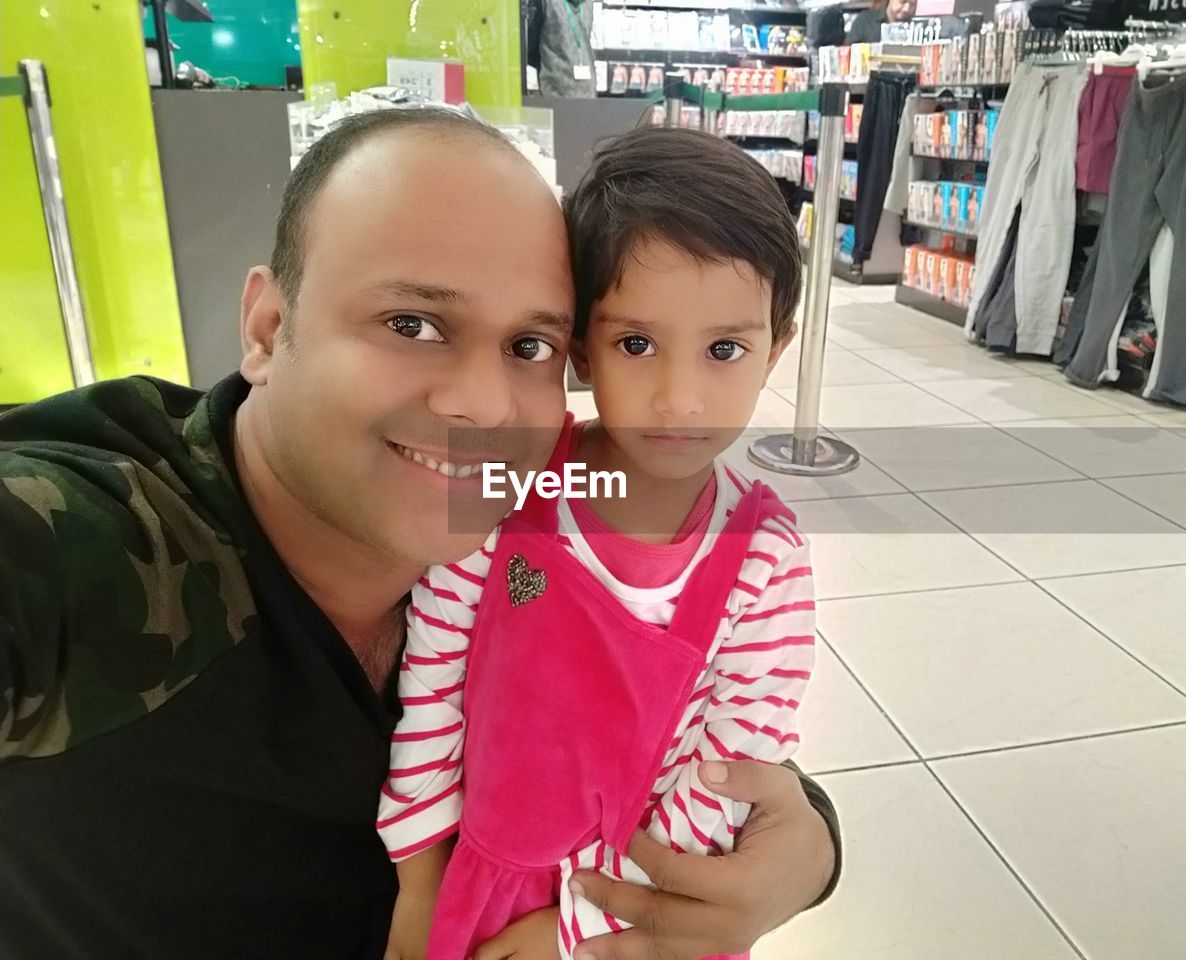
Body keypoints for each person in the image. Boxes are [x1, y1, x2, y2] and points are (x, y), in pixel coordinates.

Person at [0, 107, 839, 959]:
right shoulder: (100, 543)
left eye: (527, 344)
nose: (478, 404)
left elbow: (642, 717)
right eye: (412, 325)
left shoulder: (525, 514)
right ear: (266, 328)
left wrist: (810, 850)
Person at [380, 126, 814, 960]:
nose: (680, 399)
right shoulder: (517, 485)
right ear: (581, 350)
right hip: (477, 881)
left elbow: (729, 774)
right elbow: (431, 678)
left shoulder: (767, 561)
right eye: (636, 344)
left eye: (725, 349)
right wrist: (420, 877)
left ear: (775, 351)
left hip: (645, 917)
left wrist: (584, 929)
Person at [846, 0, 919, 44]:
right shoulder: (865, 20)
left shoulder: (918, 27)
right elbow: (849, 52)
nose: (906, 9)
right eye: (902, 2)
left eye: (912, 4)